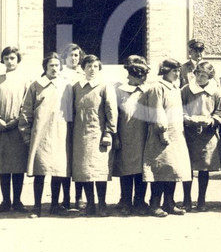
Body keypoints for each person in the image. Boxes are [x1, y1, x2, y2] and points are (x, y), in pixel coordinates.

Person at [19, 52, 73, 216]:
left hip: (61, 132)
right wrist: (27, 135)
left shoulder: (67, 85)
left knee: (58, 171)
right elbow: (26, 111)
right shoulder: (36, 85)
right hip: (41, 134)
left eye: (57, 65)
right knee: (40, 171)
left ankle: (55, 205)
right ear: (45, 67)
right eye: (51, 65)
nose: (54, 68)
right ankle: (37, 207)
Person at [0, 46, 31, 214]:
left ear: (18, 60)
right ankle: (5, 201)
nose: (10, 61)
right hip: (0, 128)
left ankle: (17, 201)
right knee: (3, 166)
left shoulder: (25, 80)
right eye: (6, 58)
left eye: (13, 58)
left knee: (17, 166)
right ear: (2, 60)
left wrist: (17, 121)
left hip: (18, 128)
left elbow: (27, 104)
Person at [142, 58, 192, 217]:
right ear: (165, 71)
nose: (177, 74)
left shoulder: (175, 88)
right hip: (161, 135)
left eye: (178, 71)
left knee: (173, 169)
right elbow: (157, 111)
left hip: (176, 134)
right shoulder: (157, 88)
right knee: (160, 169)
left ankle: (169, 203)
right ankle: (154, 204)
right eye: (174, 71)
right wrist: (162, 132)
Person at [71, 54, 118, 216]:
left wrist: (108, 132)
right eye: (89, 66)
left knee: (99, 171)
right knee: (84, 171)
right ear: (83, 68)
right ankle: (90, 204)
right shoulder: (76, 87)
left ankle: (102, 204)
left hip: (98, 135)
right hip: (80, 135)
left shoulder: (104, 87)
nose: (92, 69)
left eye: (95, 66)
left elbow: (112, 112)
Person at [183, 61, 221, 212]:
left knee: (204, 168)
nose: (200, 78)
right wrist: (187, 118)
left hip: (208, 135)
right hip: (189, 133)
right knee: (187, 167)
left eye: (204, 76)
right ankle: (186, 199)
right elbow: (180, 108)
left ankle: (201, 200)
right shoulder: (186, 90)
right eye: (198, 74)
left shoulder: (216, 92)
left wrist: (212, 120)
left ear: (210, 77)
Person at [112, 55, 151, 216]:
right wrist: (115, 136)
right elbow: (113, 115)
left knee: (142, 170)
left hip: (143, 136)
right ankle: (126, 201)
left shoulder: (148, 91)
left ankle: (140, 201)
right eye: (139, 76)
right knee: (126, 169)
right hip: (125, 136)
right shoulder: (119, 91)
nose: (142, 80)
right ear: (131, 75)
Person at [59, 43, 85, 211]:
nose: (74, 58)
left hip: (80, 122)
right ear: (65, 57)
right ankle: (66, 197)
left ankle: (79, 197)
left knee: (79, 160)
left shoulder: (84, 74)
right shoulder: (60, 75)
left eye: (76, 55)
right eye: (71, 55)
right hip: (64, 120)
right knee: (65, 161)